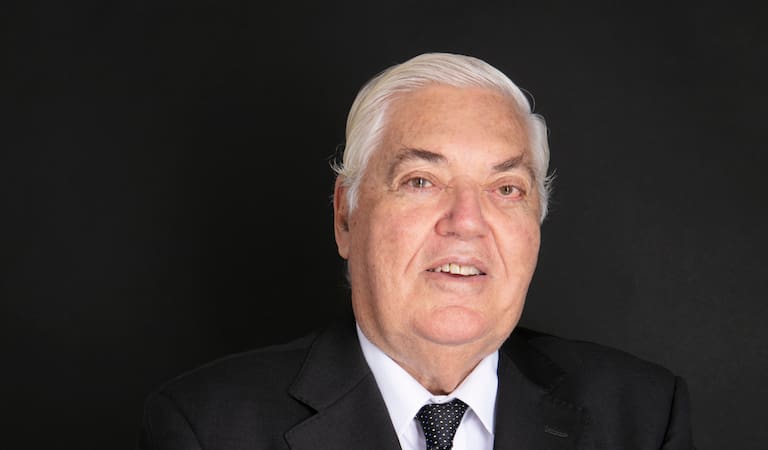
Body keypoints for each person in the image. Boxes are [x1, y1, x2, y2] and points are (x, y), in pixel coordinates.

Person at [136, 52, 695, 450]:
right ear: (346, 216)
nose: (467, 222)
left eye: (506, 189)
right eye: (421, 181)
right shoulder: (207, 427)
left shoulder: (643, 416)